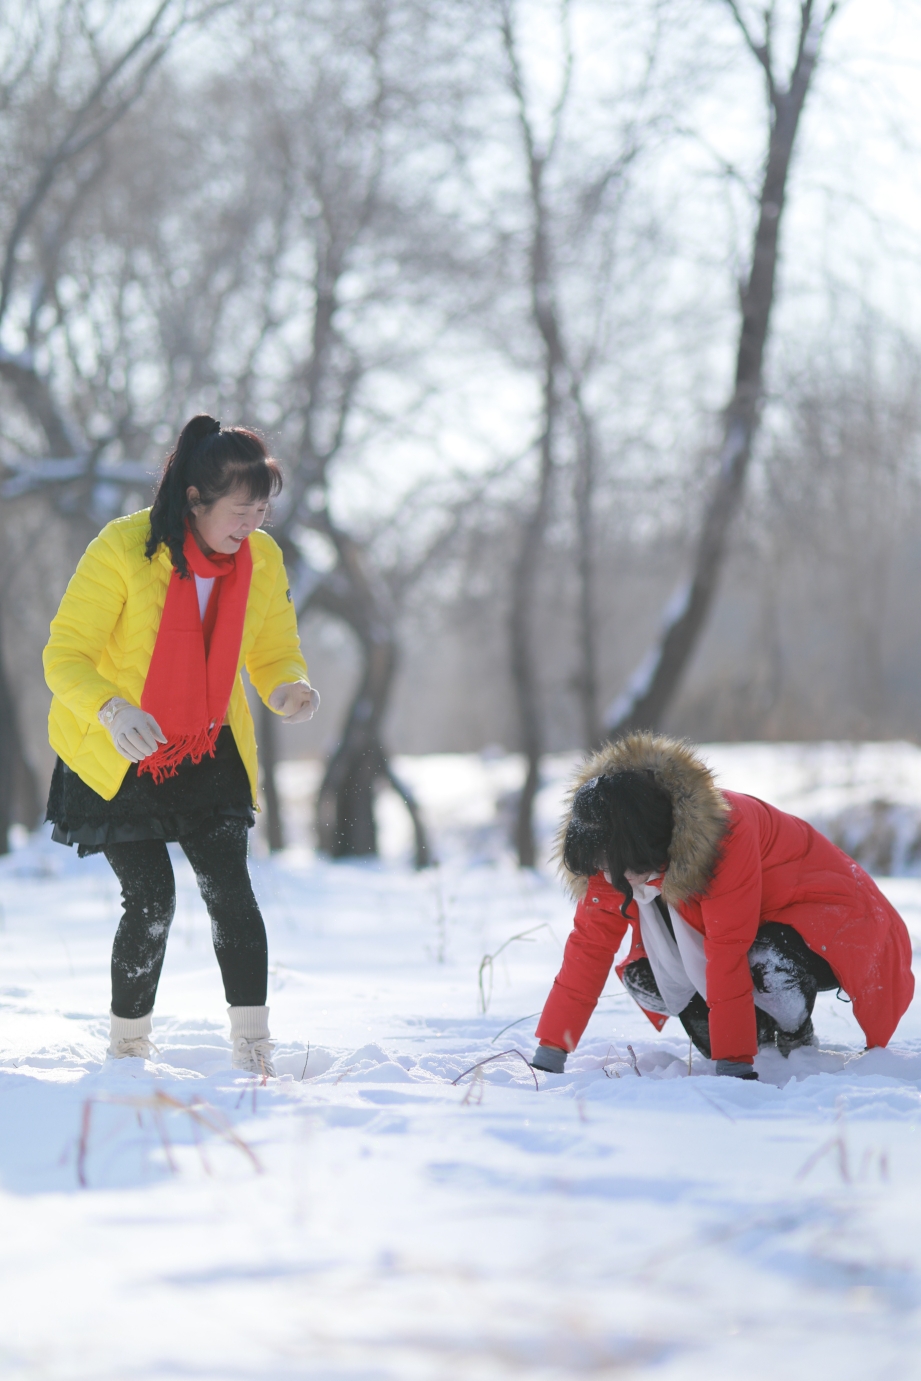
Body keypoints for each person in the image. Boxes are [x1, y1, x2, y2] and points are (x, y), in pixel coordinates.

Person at [44, 415, 318, 1075]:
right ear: (194, 500)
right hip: (120, 749)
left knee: (230, 889)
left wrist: (287, 686)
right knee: (152, 899)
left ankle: (253, 1047)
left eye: (263, 508)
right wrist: (112, 709)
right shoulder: (123, 548)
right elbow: (64, 655)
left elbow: (273, 648)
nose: (252, 522)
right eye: (239, 508)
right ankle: (129, 1048)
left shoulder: (260, 559)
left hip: (205, 743)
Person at [531, 732, 914, 1079]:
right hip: (751, 931)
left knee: (762, 959)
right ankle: (761, 1040)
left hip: (833, 922)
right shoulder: (614, 846)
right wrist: (550, 1053)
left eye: (614, 868)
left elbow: (726, 950)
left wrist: (734, 1068)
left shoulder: (725, 833)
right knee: (647, 976)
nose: (610, 878)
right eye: (600, 868)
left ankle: (795, 1037)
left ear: (641, 847)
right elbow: (589, 948)